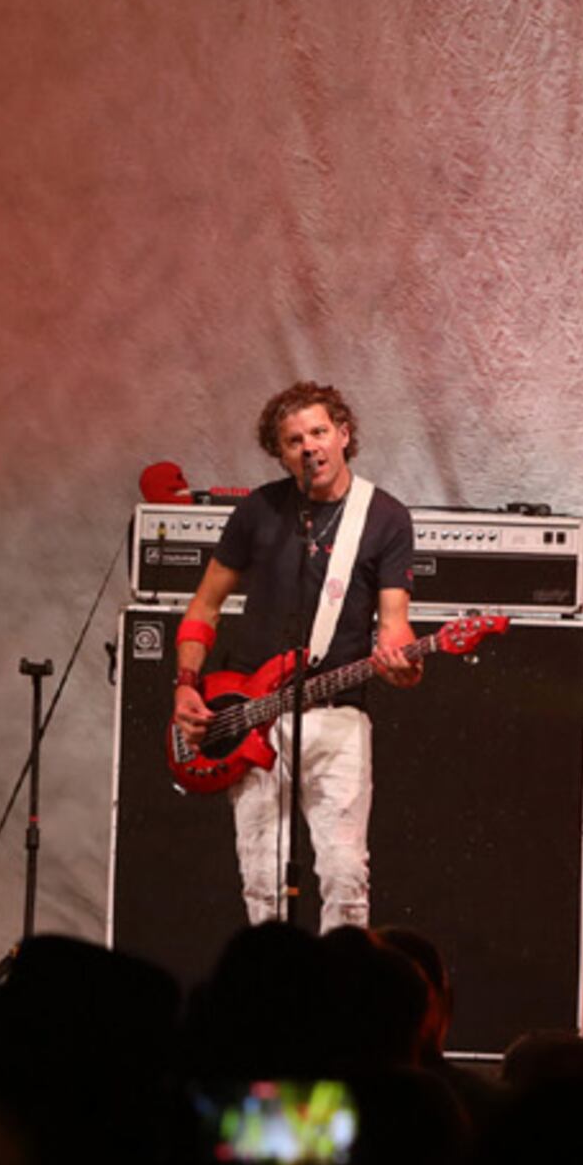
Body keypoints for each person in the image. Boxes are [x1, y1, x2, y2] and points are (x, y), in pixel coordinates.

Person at [170, 382, 419, 932]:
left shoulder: (384, 518)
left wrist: (403, 661)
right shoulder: (259, 510)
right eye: (293, 440)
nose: (309, 446)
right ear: (281, 454)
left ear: (344, 435)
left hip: (338, 719)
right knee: (261, 882)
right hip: (253, 717)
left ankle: (341, 1004)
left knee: (345, 874)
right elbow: (204, 607)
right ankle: (274, 1007)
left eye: (319, 432)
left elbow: (395, 624)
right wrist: (187, 683)